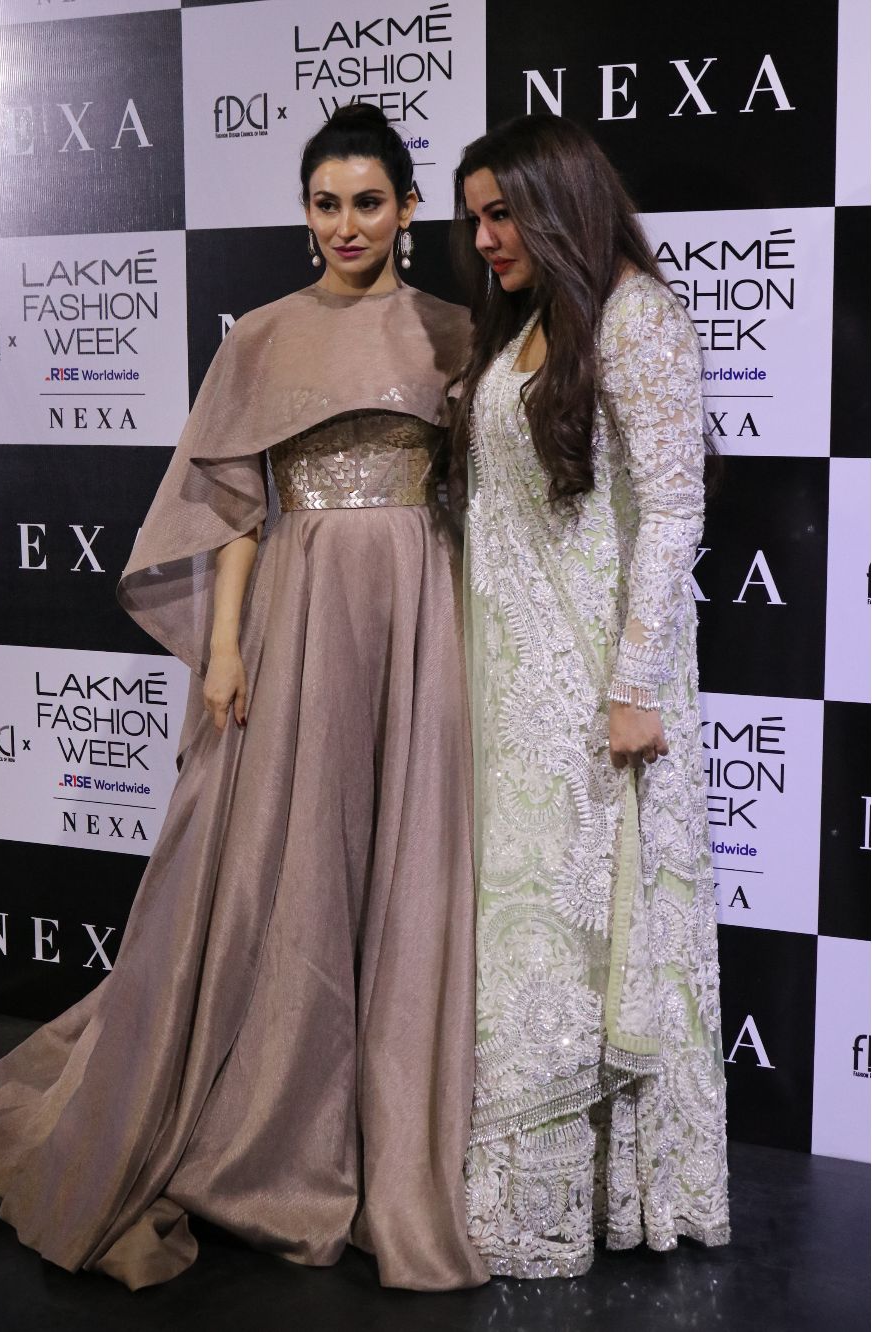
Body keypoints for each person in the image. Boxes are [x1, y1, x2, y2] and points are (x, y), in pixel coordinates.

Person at [0, 104, 487, 1293]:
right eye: (324, 203)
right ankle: (277, 1109)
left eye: (367, 201)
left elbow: (484, 497)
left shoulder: (453, 331)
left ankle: (389, 1112)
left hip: (418, 616)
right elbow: (236, 508)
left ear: (407, 208)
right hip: (301, 612)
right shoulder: (263, 337)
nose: (345, 224)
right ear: (305, 213)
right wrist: (225, 647)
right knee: (285, 856)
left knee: (402, 854)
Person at [450, 114, 730, 1279]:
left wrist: (631, 687)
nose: (483, 239)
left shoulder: (637, 317)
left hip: (595, 699)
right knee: (525, 943)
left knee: (589, 937)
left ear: (559, 203)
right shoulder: (530, 324)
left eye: (502, 214)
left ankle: (599, 1199)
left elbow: (672, 510)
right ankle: (519, 1193)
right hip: (512, 693)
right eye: (473, 218)